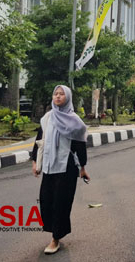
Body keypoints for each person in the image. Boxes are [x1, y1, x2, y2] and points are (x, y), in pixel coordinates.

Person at [31, 85, 90, 255]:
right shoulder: (47, 118)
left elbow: (80, 146)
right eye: (55, 94)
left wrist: (83, 168)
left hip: (67, 168)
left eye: (61, 94)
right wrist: (35, 162)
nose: (57, 96)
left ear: (68, 97)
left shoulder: (75, 121)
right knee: (46, 201)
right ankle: (54, 232)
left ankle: (55, 238)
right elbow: (39, 140)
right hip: (49, 166)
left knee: (61, 203)